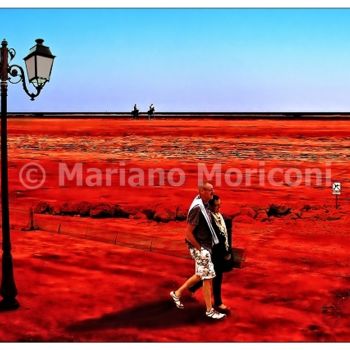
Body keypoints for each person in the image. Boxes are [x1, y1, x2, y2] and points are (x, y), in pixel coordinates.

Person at [170, 182, 226, 320]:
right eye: (210, 191)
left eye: (213, 190)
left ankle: (176, 294)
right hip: (200, 247)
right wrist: (201, 250)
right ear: (201, 191)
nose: (212, 193)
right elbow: (188, 233)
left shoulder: (204, 203)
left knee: (201, 275)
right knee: (208, 277)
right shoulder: (197, 208)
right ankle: (209, 310)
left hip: (204, 246)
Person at [189, 194, 233, 313]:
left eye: (220, 205)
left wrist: (228, 251)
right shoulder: (207, 219)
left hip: (220, 253)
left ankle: (191, 288)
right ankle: (218, 303)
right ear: (210, 206)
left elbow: (228, 236)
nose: (219, 207)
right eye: (216, 206)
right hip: (211, 253)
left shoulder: (224, 219)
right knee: (214, 277)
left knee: (211, 276)